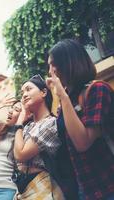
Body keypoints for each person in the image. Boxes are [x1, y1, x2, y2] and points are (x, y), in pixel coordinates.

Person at [46, 39, 114, 200]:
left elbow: (83, 143)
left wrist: (62, 95)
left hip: (108, 185)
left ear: (70, 62)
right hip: (86, 190)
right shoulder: (68, 101)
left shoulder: (97, 89)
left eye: (53, 64)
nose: (50, 71)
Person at [13, 74, 64, 199]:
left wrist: (19, 121)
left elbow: (20, 154)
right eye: (22, 92)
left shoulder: (51, 123)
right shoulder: (28, 126)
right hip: (22, 189)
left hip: (42, 184)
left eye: (28, 89)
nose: (24, 95)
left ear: (43, 92)